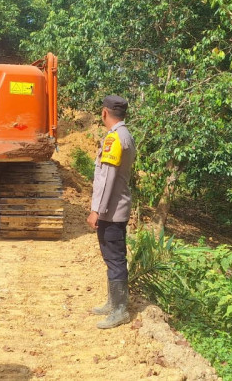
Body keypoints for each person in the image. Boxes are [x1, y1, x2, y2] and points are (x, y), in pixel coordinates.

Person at [86, 94, 135, 329]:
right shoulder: (125, 136)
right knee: (112, 257)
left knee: (115, 259)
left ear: (105, 112)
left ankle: (120, 310)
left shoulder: (114, 139)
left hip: (111, 210)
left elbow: (107, 179)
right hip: (116, 207)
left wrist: (97, 210)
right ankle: (112, 302)